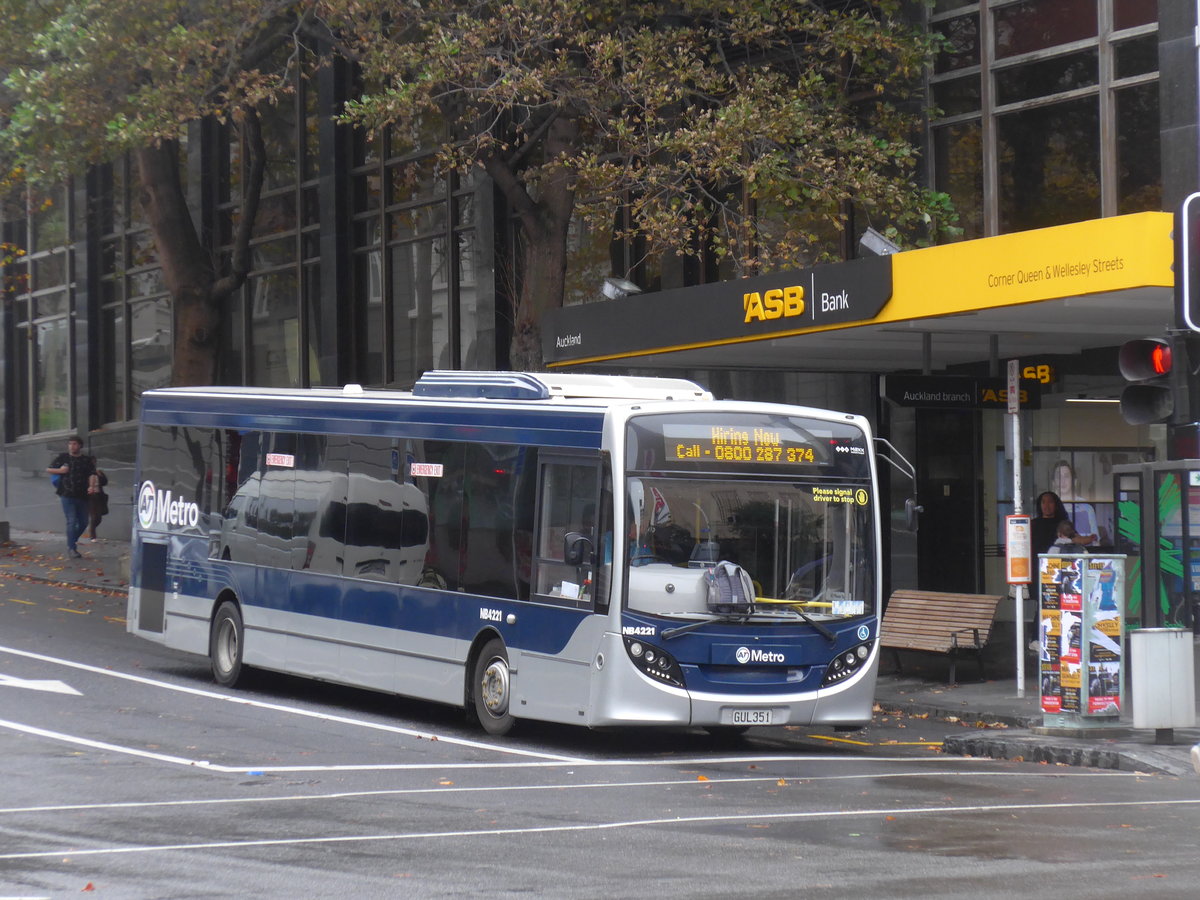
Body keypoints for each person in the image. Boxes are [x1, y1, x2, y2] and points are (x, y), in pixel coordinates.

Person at [46, 435, 97, 558]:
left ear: (80, 445)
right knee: (71, 521)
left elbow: (92, 474)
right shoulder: (63, 458)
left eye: (74, 444)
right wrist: (61, 471)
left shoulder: (86, 460)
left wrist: (91, 486)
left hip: (83, 495)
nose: (72, 446)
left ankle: (71, 540)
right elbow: (48, 469)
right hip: (67, 494)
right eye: (70, 444)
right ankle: (72, 548)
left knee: (84, 522)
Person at [1050, 459, 1102, 544]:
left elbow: (1096, 541)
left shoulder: (1086, 508)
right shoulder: (1049, 509)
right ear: (1053, 482)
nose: (1062, 481)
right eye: (1058, 477)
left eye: (1066, 476)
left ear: (1074, 481)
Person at [84, 469, 108, 540]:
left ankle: (91, 528)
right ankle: (92, 535)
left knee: (98, 517)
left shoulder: (97, 473)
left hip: (99, 496)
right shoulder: (85, 473)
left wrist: (101, 475)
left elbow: (104, 482)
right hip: (90, 496)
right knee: (94, 516)